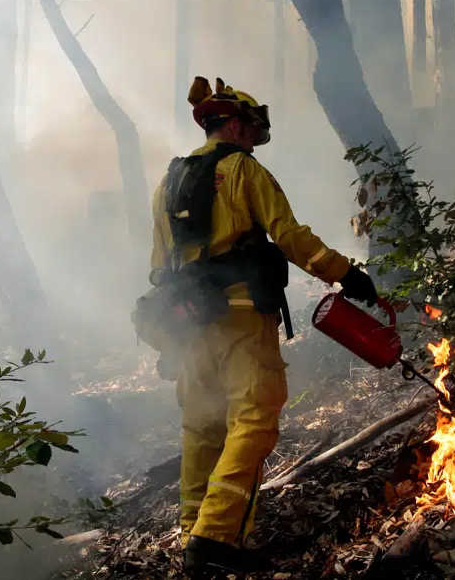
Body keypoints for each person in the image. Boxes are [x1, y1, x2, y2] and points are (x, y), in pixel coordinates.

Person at [135, 77, 380, 578]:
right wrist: (345, 274)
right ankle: (216, 534)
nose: (253, 139)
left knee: (202, 426)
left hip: (188, 325)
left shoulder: (168, 183)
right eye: (250, 129)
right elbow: (289, 236)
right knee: (254, 419)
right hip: (242, 316)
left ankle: (194, 534)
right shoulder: (244, 170)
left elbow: (159, 265)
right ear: (233, 123)